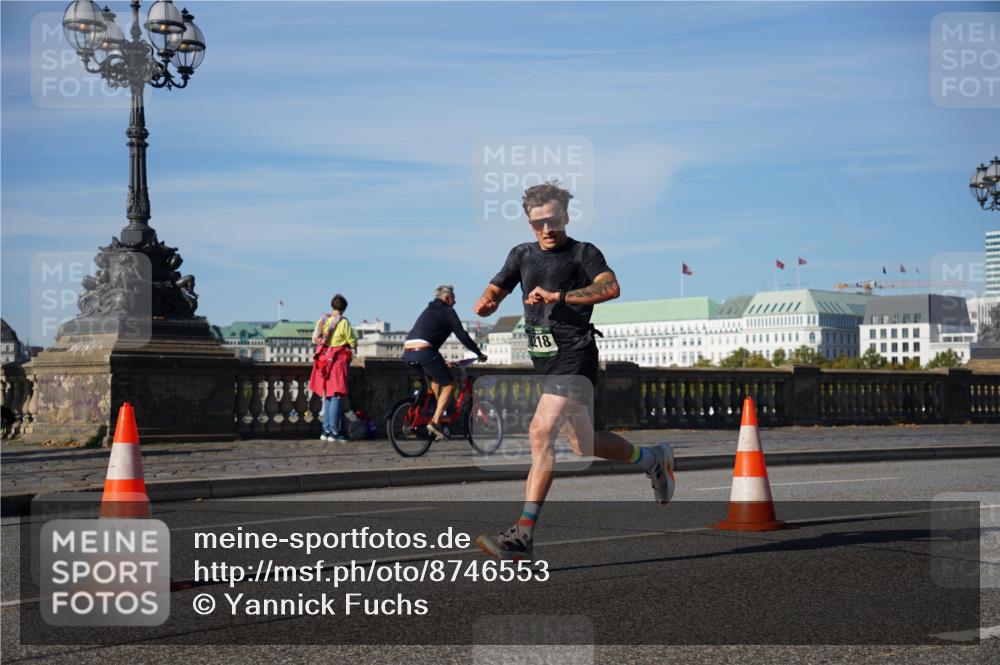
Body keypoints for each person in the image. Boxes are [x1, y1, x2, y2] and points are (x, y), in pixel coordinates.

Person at [471, 182, 675, 560]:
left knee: (539, 431)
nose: (546, 229)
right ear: (529, 223)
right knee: (583, 443)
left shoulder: (584, 253)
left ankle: (522, 535)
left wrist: (558, 297)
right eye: (537, 223)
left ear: (565, 216)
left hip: (575, 352)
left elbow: (611, 287)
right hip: (544, 358)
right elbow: (495, 289)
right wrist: (487, 303)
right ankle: (652, 459)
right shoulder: (522, 254)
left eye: (552, 220)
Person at [403, 285, 487, 440]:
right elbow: (462, 335)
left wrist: (440, 361)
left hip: (408, 352)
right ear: (448, 298)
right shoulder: (447, 311)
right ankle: (435, 421)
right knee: (450, 385)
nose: (454, 304)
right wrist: (479, 353)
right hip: (424, 352)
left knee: (434, 382)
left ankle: (428, 413)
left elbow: (429, 337)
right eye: (454, 301)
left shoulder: (428, 311)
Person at [309, 293, 357, 442]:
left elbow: (314, 338)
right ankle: (334, 432)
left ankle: (326, 430)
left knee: (328, 396)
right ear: (344, 308)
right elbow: (353, 342)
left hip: (324, 361)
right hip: (337, 361)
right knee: (335, 396)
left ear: (332, 306)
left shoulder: (323, 320)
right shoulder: (343, 323)